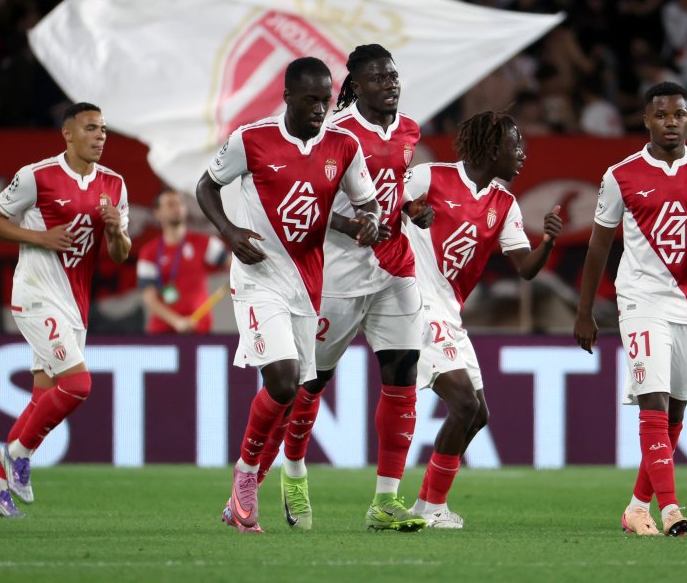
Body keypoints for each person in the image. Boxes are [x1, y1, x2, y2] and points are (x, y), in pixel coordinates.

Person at [250, 45, 434, 532]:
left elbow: (397, 188)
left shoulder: (410, 130)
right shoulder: (337, 132)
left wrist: (412, 210)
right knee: (309, 385)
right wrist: (353, 225)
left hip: (396, 269)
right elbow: (311, 201)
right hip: (337, 276)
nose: (389, 84)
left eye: (393, 75)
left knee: (403, 376)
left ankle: (386, 500)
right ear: (355, 84)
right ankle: (293, 472)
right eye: (377, 78)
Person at [196, 57, 380, 534]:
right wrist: (229, 230)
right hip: (258, 277)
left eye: (326, 99)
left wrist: (368, 223)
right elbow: (206, 186)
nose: (321, 109)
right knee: (280, 382)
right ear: (288, 97)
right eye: (311, 100)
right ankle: (245, 479)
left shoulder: (345, 145)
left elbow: (367, 206)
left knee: (294, 390)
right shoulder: (251, 139)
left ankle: (245, 482)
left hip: (309, 283)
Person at [574, 81, 687, 537]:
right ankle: (671, 510)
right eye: (662, 115)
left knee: (676, 413)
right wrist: (585, 310)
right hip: (639, 298)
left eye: (679, 115)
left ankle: (635, 508)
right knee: (654, 398)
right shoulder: (621, 174)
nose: (671, 123)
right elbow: (597, 248)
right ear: (646, 120)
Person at [404, 111, 563, 528]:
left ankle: (425, 505)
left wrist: (546, 242)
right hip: (414, 301)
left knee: (478, 415)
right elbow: (386, 205)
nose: (522, 154)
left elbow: (525, 268)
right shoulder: (429, 177)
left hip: (450, 311)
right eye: (515, 145)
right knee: (464, 403)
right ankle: (434, 508)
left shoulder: (504, 203)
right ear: (492, 148)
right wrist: (409, 211)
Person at [0, 102, 132, 517]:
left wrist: (116, 230)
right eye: (91, 128)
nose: (99, 136)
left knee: (43, 396)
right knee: (78, 384)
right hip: (36, 294)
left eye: (103, 129)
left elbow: (119, 254)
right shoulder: (36, 176)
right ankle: (17, 456)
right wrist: (39, 238)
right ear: (68, 133)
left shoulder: (114, 185)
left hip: (75, 304)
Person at [137, 189, 229, 334]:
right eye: (170, 204)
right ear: (157, 213)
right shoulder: (148, 253)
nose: (177, 208)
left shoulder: (205, 242)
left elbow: (235, 264)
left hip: (199, 328)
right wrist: (177, 322)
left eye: (180, 203)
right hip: (162, 333)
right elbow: (149, 297)